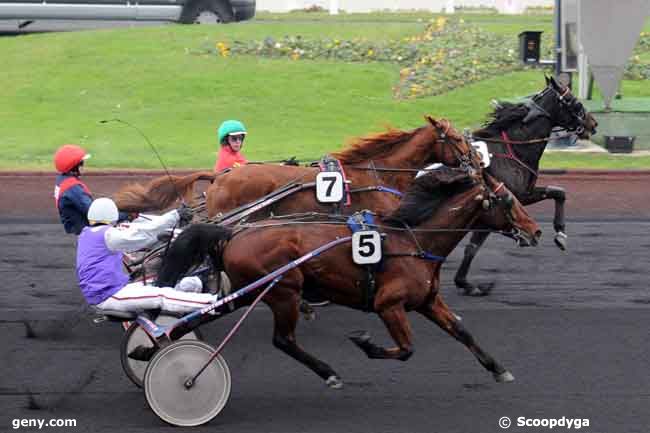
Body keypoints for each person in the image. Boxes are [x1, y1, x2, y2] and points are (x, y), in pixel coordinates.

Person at [77, 197, 218, 315]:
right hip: (109, 296)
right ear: (113, 215)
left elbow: (142, 229)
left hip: (113, 289)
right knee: (161, 296)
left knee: (181, 284)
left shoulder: (88, 234)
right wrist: (175, 215)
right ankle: (214, 303)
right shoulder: (108, 235)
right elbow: (142, 234)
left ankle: (197, 289)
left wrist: (174, 218)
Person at [53, 144, 93, 235]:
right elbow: (93, 212)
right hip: (83, 233)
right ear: (74, 167)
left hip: (74, 227)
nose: (84, 165)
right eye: (82, 163)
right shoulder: (73, 188)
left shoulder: (62, 179)